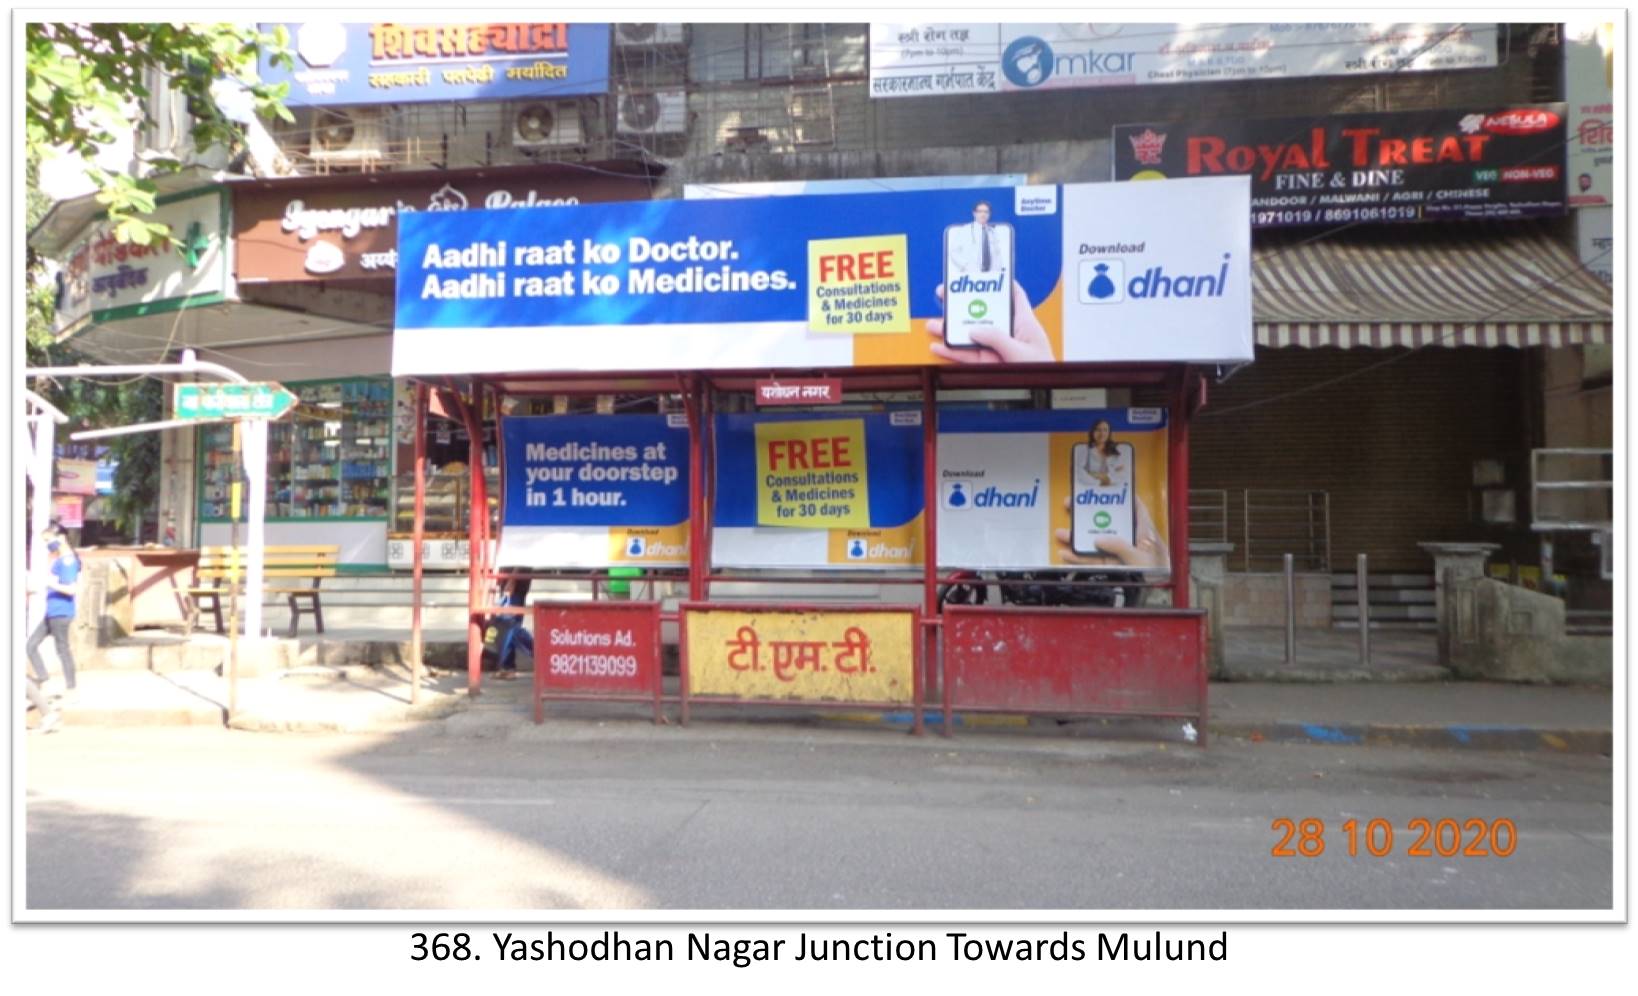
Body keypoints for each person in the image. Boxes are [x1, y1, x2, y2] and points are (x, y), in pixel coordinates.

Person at [27, 522, 80, 701]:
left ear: (61, 538)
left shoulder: (68, 561)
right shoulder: (59, 559)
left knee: (62, 650)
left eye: (48, 540)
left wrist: (49, 583)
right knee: (31, 645)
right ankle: (44, 680)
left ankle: (71, 688)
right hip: (52, 612)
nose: (47, 545)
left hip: (61, 612)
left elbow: (71, 589)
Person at [946, 201, 1010, 275]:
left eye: (986, 212)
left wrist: (999, 272)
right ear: (974, 213)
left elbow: (997, 255)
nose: (983, 214)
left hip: (992, 275)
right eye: (980, 211)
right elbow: (953, 252)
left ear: (989, 214)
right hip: (971, 274)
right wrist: (966, 265)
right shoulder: (965, 230)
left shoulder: (992, 232)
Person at [1084, 419, 1127, 487]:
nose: (1102, 433)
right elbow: (1081, 473)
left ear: (1109, 433)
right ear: (1092, 432)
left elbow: (1122, 474)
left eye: (1105, 430)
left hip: (1113, 489)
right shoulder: (1085, 450)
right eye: (1098, 430)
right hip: (1089, 488)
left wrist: (1104, 477)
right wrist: (1100, 478)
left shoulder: (1117, 450)